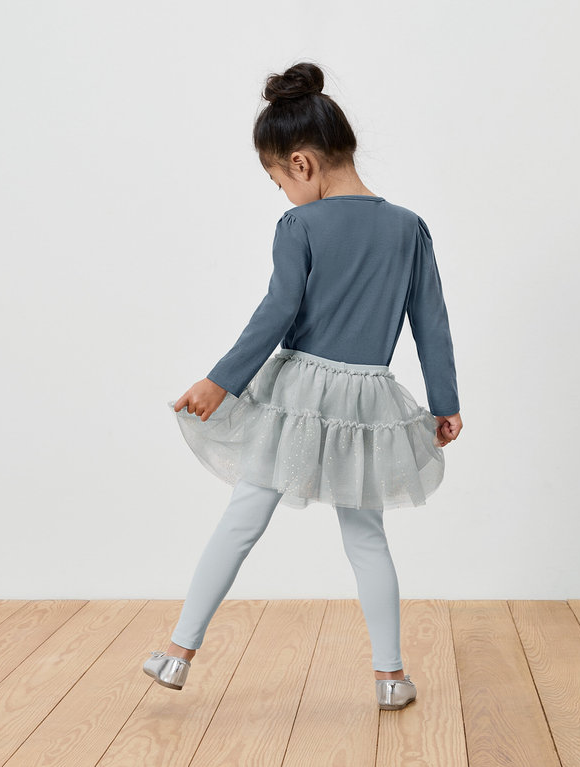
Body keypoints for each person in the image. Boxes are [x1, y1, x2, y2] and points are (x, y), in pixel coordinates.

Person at [143, 61, 462, 711]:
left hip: (298, 399)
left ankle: (178, 653)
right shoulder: (410, 228)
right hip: (368, 401)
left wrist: (220, 382)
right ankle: (391, 676)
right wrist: (445, 403)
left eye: (276, 179)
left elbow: (278, 312)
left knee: (242, 519)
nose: (281, 194)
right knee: (366, 533)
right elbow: (431, 321)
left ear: (302, 163)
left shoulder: (300, 226)